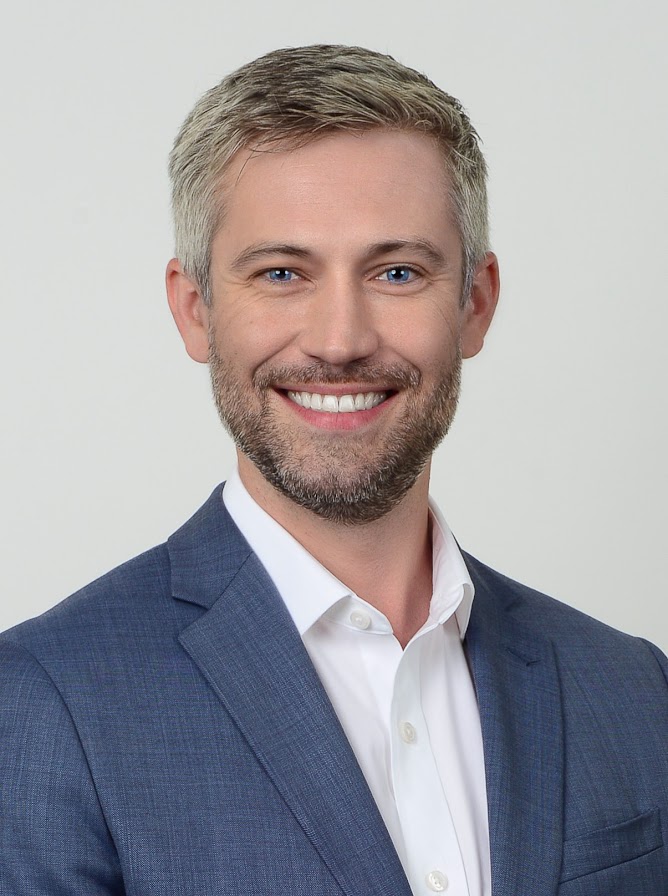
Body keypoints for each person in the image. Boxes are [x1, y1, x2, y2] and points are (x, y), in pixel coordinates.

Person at [1, 45, 666, 896]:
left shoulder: (631, 687)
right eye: (282, 273)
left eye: (397, 272)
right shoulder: (46, 706)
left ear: (476, 302)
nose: (341, 339)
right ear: (195, 308)